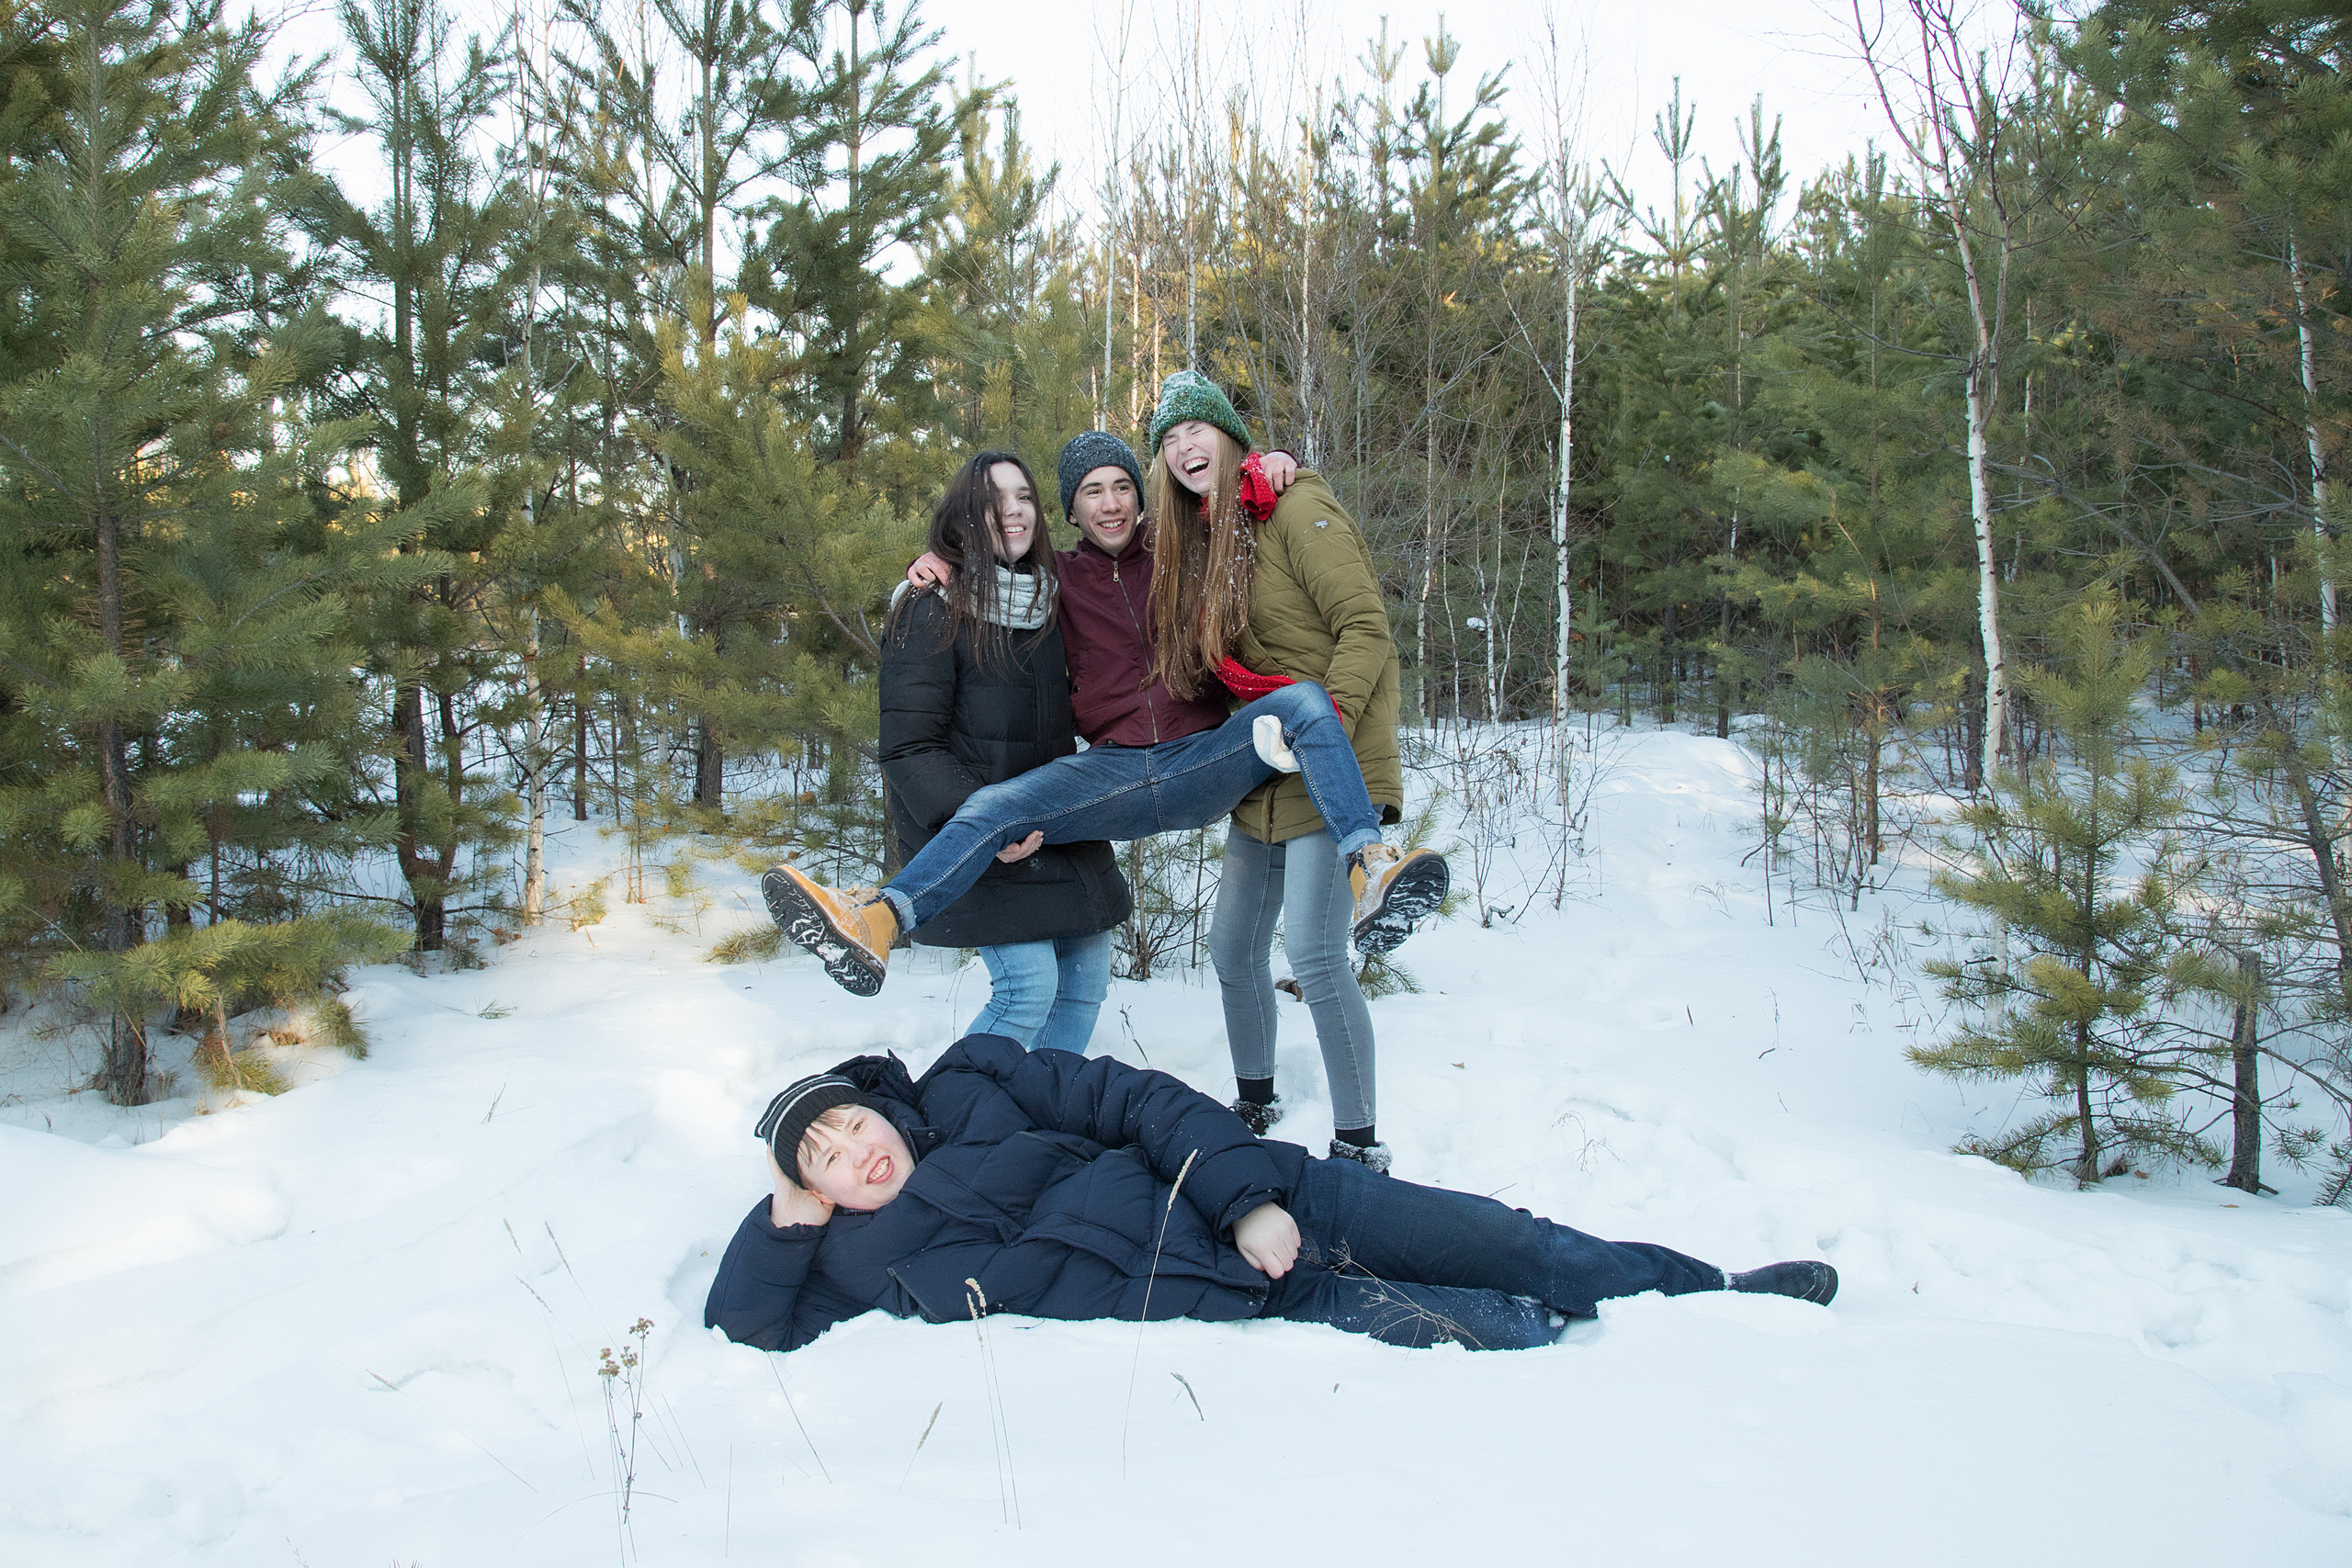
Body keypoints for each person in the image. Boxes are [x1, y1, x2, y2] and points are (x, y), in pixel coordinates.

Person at [762, 446, 1448, 1010]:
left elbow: (1234, 500)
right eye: (1092, 490)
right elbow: (994, 560)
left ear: (1143, 498)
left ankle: (1368, 869)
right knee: (995, 807)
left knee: (1302, 701)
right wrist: (938, 561)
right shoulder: (1057, 580)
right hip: (1112, 772)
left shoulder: (1185, 554)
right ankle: (881, 919)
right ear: (1070, 509)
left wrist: (1268, 462)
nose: (1111, 501)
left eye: (1123, 485)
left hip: (1197, 761)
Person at [701, 1040, 1839, 1356]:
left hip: (1282, 1205)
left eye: (850, 1123)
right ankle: (1676, 1367)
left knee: (1528, 1253)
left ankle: (1722, 1291)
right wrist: (783, 1226)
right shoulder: (850, 1268)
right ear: (810, 1189)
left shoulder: (974, 1077)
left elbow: (1141, 1100)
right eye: (823, 1161)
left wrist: (1248, 1202)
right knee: (1510, 1337)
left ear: (880, 1108)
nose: (854, 1154)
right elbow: (747, 1325)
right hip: (1256, 1303)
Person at [1145, 370, 1418, 1171]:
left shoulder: (1295, 505)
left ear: (1229, 438)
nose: (1184, 447)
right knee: (1232, 950)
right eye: (1168, 440)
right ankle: (1255, 1099)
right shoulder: (1203, 544)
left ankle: (1358, 1142)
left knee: (1316, 953)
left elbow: (1365, 627)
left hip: (1328, 765)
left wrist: (1320, 727)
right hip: (1260, 775)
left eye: (1197, 430)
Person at [879, 451, 1128, 1054]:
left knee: (1086, 978)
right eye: (993, 499)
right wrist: (988, 824)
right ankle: (954, 1118)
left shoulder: (1047, 603)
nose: (1013, 511)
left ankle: (1034, 1119)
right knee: (1027, 986)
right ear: (962, 519)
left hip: (1058, 824)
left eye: (1023, 496)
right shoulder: (931, 607)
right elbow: (909, 747)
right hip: (978, 831)